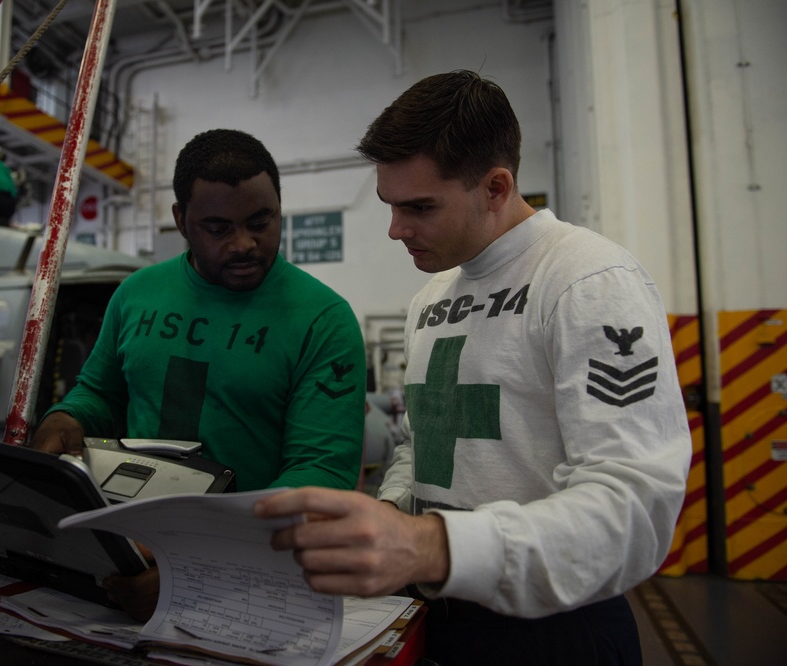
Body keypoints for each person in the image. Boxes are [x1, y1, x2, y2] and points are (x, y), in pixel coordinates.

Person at [254, 70, 691, 665]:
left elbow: (634, 507)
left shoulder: (588, 280)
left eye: (420, 207)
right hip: (442, 610)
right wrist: (391, 513)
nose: (395, 229)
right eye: (390, 205)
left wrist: (431, 545)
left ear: (495, 186)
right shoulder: (431, 298)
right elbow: (421, 443)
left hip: (558, 628)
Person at [32, 128, 367, 615]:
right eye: (218, 228)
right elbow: (101, 394)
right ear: (181, 222)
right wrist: (68, 418)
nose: (244, 244)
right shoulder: (136, 294)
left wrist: (199, 559)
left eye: (261, 221)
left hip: (252, 577)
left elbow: (322, 473)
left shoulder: (322, 320)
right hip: (129, 550)